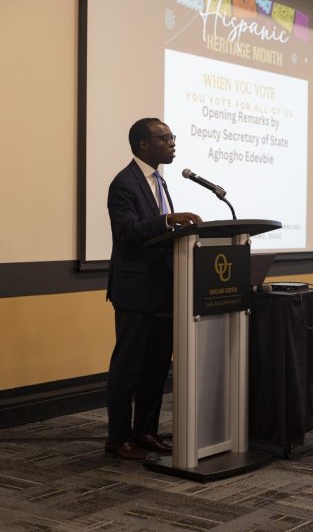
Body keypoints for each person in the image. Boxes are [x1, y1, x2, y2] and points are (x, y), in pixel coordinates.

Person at [105, 117, 201, 460]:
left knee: (157, 367)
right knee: (128, 368)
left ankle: (145, 431)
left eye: (172, 137)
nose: (173, 143)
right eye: (165, 138)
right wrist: (167, 221)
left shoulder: (160, 181)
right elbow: (128, 232)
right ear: (144, 145)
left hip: (164, 289)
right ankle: (118, 438)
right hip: (135, 292)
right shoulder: (124, 183)